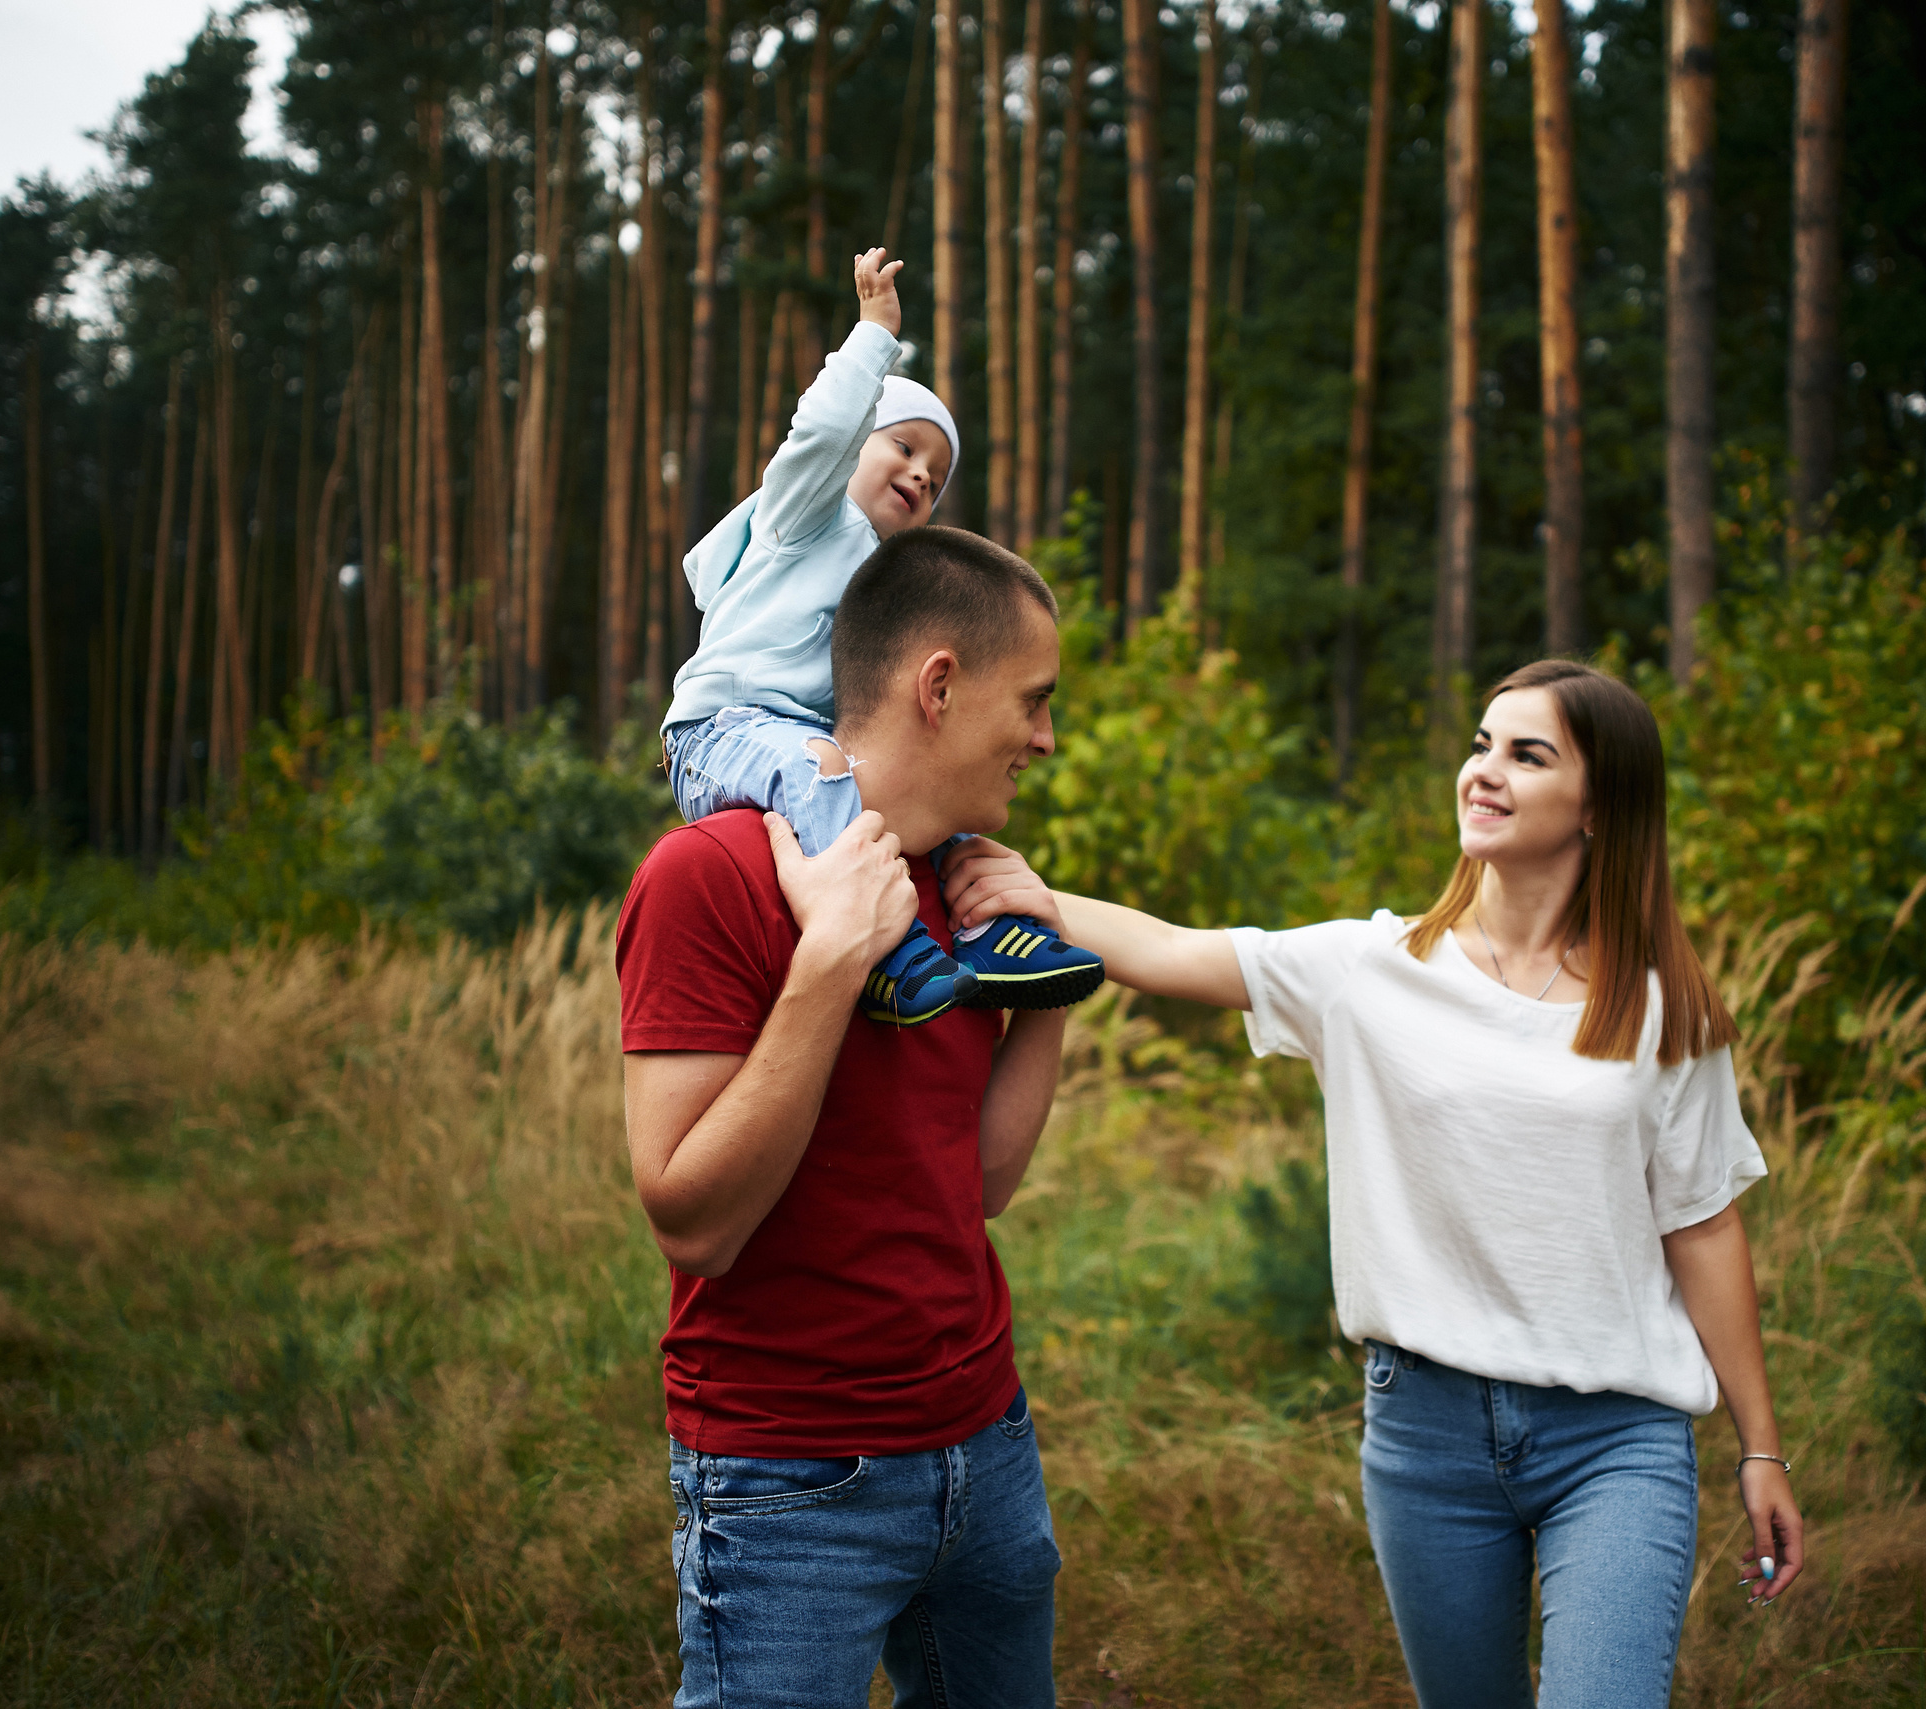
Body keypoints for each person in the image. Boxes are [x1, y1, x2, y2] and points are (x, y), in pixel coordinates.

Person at [939, 658, 1809, 1709]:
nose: (1484, 771)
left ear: (1598, 806)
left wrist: (1760, 1446)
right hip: (1424, 1434)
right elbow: (1174, 949)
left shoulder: (1662, 1008)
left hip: (1616, 1437)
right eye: (1482, 742)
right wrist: (1034, 894)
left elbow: (1703, 1227)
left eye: (1528, 754)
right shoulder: (1373, 968)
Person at [619, 527, 1077, 1708]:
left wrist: (1045, 986)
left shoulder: (963, 880)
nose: (1045, 737)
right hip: (788, 1479)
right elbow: (694, 1223)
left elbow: (975, 1186)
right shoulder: (707, 874)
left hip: (985, 1444)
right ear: (938, 684)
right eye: (1031, 700)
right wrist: (831, 964)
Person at [662, 244, 1101, 1025]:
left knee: (941, 794)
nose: (922, 476)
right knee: (824, 764)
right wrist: (873, 335)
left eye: (936, 476)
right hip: (718, 732)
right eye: (904, 446)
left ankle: (993, 933)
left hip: (805, 746)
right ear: (856, 447)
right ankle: (888, 956)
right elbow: (821, 436)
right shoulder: (799, 519)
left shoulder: (879, 579)